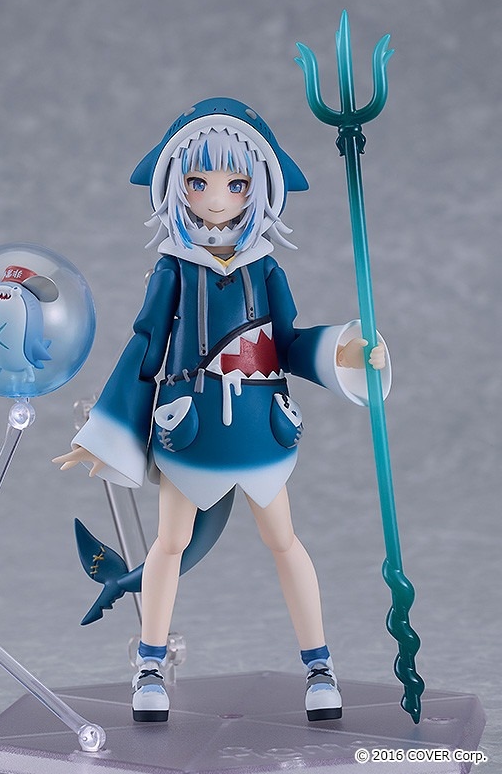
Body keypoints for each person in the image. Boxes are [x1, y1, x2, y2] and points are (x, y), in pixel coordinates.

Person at [54, 98, 390, 724]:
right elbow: (145, 347)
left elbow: (288, 341)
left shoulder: (266, 269)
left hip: (261, 429)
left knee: (284, 541)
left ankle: (320, 667)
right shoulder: (174, 269)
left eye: (235, 184)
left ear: (257, 188)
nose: (216, 197)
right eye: (198, 181)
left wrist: (345, 352)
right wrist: (105, 430)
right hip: (192, 431)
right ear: (175, 184)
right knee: (170, 544)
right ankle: (149, 666)